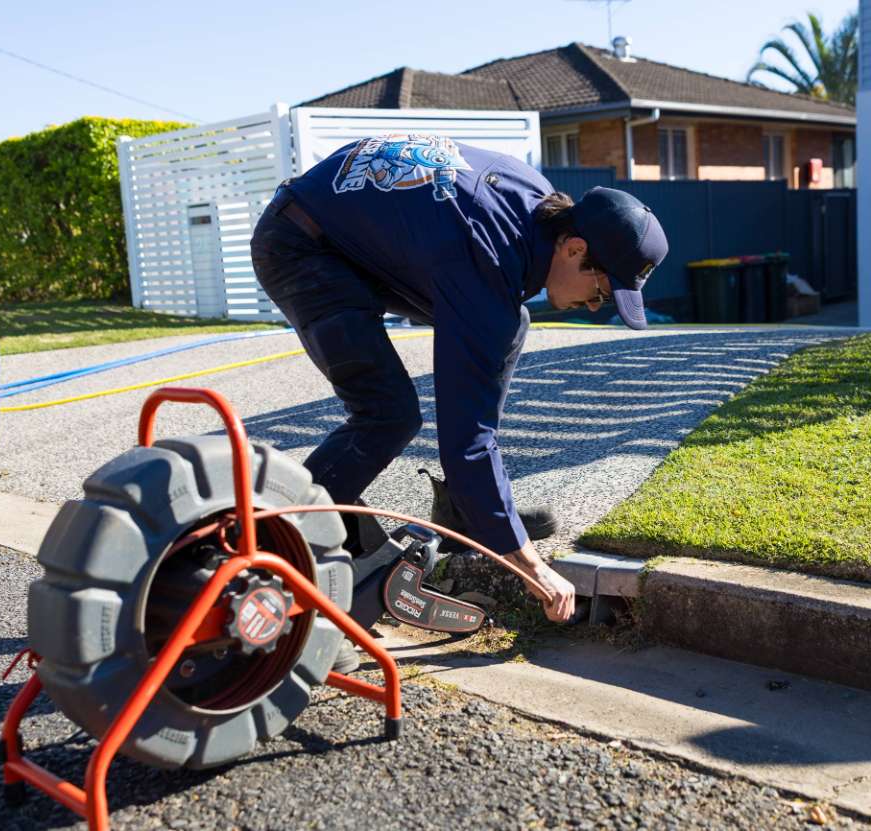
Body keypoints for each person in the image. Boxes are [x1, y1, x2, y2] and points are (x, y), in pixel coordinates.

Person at [250, 134, 668, 637]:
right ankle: (268, 546)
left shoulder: (533, 202)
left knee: (506, 324)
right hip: (302, 246)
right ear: (575, 248)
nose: (598, 305)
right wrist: (530, 565)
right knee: (387, 415)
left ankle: (468, 509)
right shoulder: (486, 257)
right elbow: (466, 441)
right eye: (602, 289)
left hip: (342, 235)